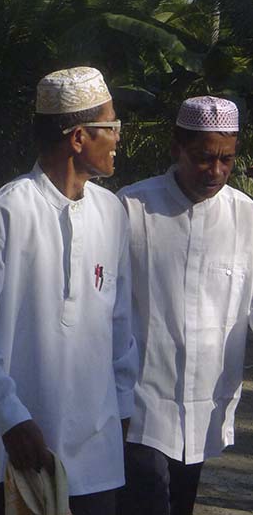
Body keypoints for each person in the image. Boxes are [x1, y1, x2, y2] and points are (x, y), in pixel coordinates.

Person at [0, 67, 138, 515]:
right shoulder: (7, 212)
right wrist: (10, 417)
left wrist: (123, 405)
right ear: (78, 137)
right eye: (111, 127)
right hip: (14, 449)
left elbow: (119, 322)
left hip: (95, 451)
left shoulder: (111, 213)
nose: (118, 139)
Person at [116, 97, 251, 515]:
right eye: (203, 158)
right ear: (176, 148)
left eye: (226, 159)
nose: (215, 172)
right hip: (139, 403)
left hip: (205, 403)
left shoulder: (246, 217)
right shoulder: (131, 209)